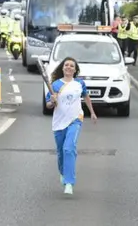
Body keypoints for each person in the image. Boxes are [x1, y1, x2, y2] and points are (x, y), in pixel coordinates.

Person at [45, 57, 97, 195]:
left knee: (69, 148)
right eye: (66, 65)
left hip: (75, 119)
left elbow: (86, 97)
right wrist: (52, 101)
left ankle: (69, 182)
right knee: (61, 151)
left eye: (71, 66)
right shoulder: (55, 85)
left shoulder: (79, 83)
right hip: (59, 122)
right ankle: (63, 172)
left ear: (75, 70)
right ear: (62, 68)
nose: (68, 67)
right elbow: (49, 105)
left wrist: (92, 113)